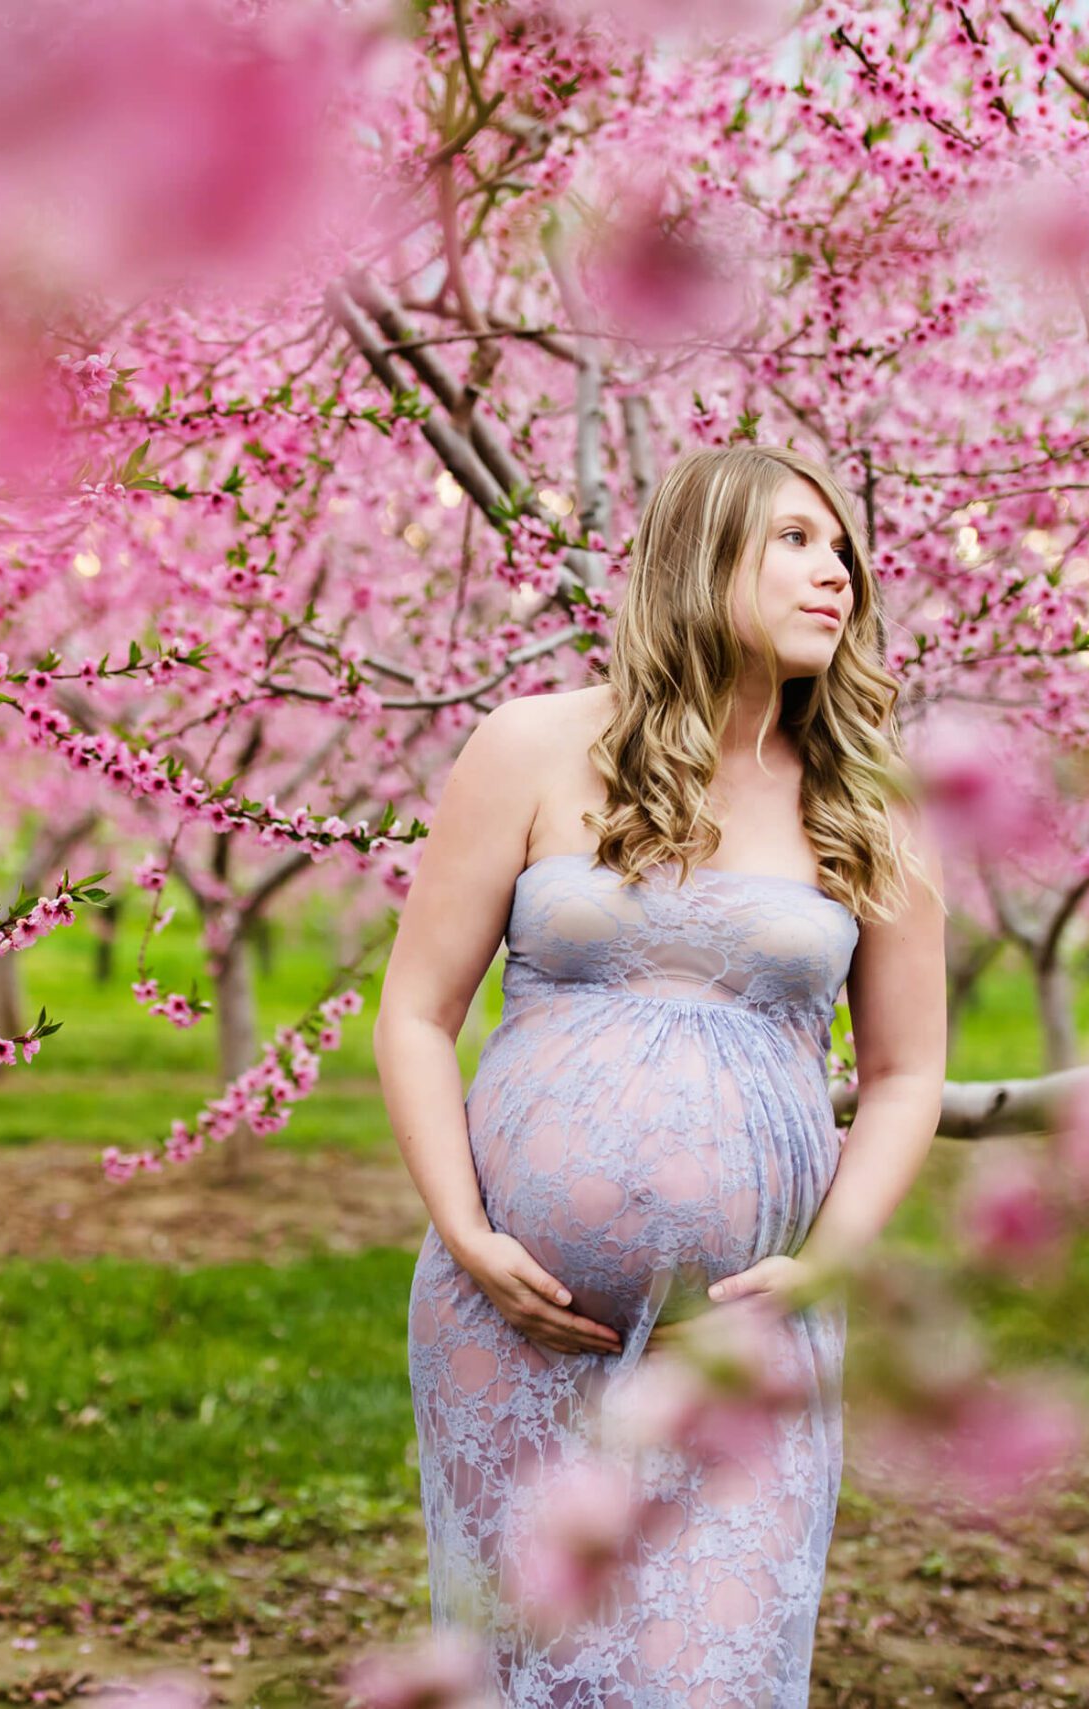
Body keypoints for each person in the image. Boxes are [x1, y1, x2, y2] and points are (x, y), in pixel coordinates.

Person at [372, 442, 951, 1706]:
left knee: (709, 1669)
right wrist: (467, 1232)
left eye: (842, 546)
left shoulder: (866, 799)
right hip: (510, 1323)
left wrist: (826, 1262)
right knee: (521, 1667)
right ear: (698, 555)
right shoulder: (528, 746)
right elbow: (416, 1010)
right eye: (795, 539)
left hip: (744, 1332)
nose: (836, 571)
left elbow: (909, 1070)